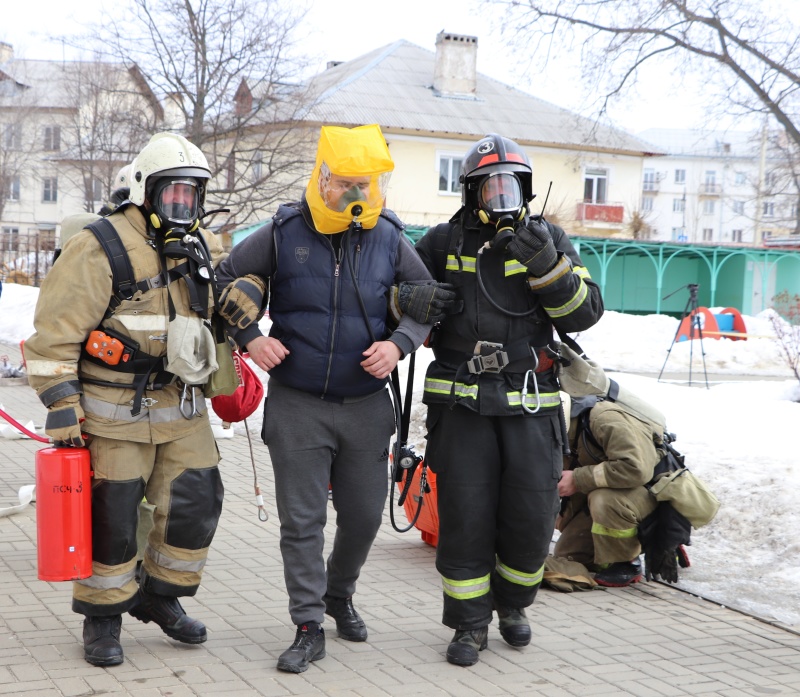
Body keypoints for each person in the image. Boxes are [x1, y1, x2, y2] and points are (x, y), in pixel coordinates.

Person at [215, 124, 437, 674]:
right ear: (322, 178)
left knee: (362, 517)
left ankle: (340, 593)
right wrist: (251, 338)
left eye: (364, 184)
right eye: (343, 184)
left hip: (366, 405)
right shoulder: (284, 229)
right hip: (298, 404)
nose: (354, 195)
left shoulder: (388, 236)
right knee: (303, 521)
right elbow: (224, 276)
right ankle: (309, 623)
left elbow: (429, 300)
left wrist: (399, 344)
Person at [24, 132, 227, 667]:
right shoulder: (101, 245)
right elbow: (52, 336)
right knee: (113, 518)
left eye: (192, 194)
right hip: (114, 415)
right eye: (172, 193)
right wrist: (62, 406)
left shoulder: (199, 243)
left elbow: (214, 308)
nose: (183, 205)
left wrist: (244, 293)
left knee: (195, 503)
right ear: (145, 191)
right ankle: (103, 616)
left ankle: (160, 598)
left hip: (182, 411)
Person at [411, 133, 604, 667]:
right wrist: (410, 298)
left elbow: (586, 314)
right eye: (490, 185)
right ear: (472, 190)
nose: (500, 194)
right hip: (463, 410)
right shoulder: (442, 242)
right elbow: (398, 305)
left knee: (529, 518)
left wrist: (548, 267)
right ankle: (468, 625)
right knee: (467, 517)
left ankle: (515, 607)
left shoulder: (550, 240)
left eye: (510, 184)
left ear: (524, 188)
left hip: (530, 407)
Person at [554, 394, 662, 587]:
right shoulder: (566, 434)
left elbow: (636, 469)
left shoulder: (605, 420)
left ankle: (628, 561)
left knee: (602, 499)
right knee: (567, 557)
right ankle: (611, 554)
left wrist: (578, 479)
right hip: (614, 496)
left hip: (650, 496)